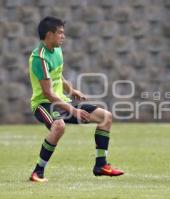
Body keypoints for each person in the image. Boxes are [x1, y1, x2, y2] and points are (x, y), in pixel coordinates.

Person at [28, 16, 124, 182]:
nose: (63, 36)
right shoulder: (39, 58)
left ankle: (101, 165)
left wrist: (71, 90)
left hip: (61, 101)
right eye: (60, 33)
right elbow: (47, 93)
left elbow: (57, 75)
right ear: (49, 34)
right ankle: (38, 171)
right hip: (44, 104)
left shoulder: (56, 50)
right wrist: (73, 110)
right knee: (59, 126)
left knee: (105, 117)